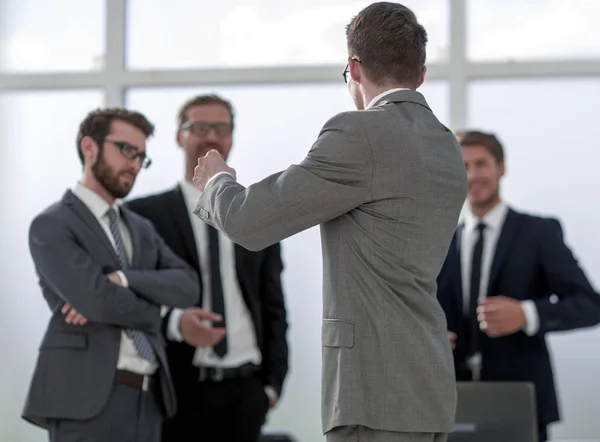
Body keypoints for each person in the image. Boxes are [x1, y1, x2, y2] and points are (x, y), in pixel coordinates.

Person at [190, 3, 467, 442]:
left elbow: (249, 222)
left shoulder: (359, 133)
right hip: (428, 388)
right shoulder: (445, 145)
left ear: (354, 69)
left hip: (373, 391)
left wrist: (217, 181)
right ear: (421, 74)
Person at [21, 108, 210, 442]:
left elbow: (188, 286)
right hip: (84, 398)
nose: (134, 165)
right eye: (126, 150)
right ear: (89, 148)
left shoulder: (141, 227)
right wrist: (161, 312)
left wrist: (124, 280)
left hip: (149, 398)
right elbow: (98, 301)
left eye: (141, 157)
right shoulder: (52, 225)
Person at [125, 94, 289, 442]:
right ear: (179, 135)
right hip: (177, 390)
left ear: (231, 136)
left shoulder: (255, 212)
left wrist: (272, 385)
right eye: (199, 127)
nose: (211, 136)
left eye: (221, 128)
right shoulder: (143, 216)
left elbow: (273, 303)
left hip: (247, 389)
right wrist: (173, 322)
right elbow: (127, 297)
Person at [436, 129, 600, 442]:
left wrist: (527, 314)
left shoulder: (539, 232)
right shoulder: (440, 242)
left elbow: (590, 305)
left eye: (481, 164)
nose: (473, 175)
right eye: (463, 165)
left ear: (501, 167)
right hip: (451, 402)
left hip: (521, 400)